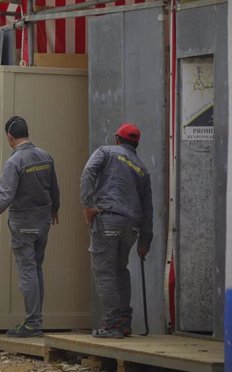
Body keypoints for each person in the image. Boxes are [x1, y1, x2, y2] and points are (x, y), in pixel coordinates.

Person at [0, 116, 59, 338]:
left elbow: (4, 198)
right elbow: (55, 188)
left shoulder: (14, 162)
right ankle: (36, 319)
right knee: (36, 269)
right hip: (43, 222)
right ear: (28, 132)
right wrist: (55, 209)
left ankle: (33, 324)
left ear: (10, 138)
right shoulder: (45, 157)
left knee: (28, 273)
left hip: (23, 225)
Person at [80, 123, 153, 339]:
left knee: (104, 271)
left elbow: (88, 173)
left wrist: (88, 205)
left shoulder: (105, 152)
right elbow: (148, 209)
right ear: (136, 144)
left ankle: (112, 325)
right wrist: (144, 243)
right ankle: (124, 322)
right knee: (120, 270)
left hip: (108, 218)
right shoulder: (142, 169)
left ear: (116, 139)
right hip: (131, 226)